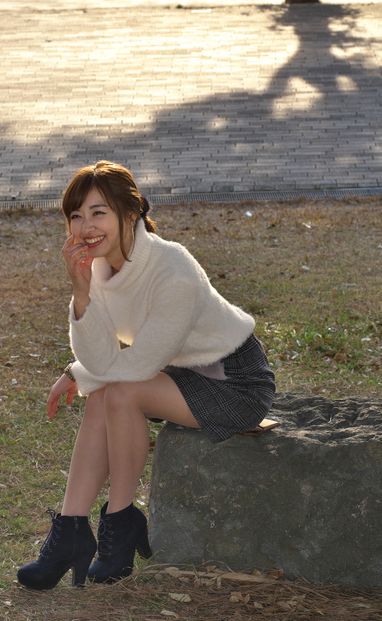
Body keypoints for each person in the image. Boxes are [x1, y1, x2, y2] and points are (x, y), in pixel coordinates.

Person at [17, 160, 275, 591]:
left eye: (98, 212)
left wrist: (80, 374)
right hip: (176, 372)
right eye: (76, 215)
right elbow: (102, 356)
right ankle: (70, 531)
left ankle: (121, 525)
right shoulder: (99, 269)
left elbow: (136, 367)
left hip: (234, 382)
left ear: (130, 213)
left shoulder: (172, 268)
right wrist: (81, 294)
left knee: (120, 393)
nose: (85, 227)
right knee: (105, 395)